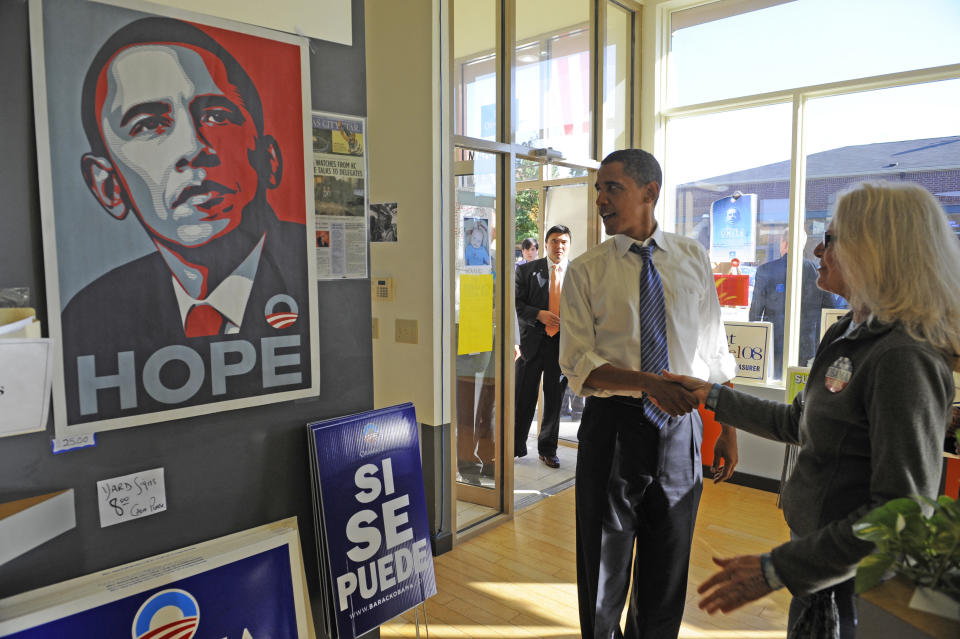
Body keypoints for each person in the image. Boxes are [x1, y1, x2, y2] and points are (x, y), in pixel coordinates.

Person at [664, 182, 960, 638]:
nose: (818, 248)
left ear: (876, 250)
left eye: (833, 238)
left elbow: (900, 512)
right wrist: (712, 396)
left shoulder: (903, 358)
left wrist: (774, 569)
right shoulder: (846, 333)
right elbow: (798, 422)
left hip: (857, 581)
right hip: (817, 565)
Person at [62, 17, 310, 424]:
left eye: (216, 115)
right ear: (108, 186)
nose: (193, 147)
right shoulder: (89, 318)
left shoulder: (317, 285)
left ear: (268, 159)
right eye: (149, 124)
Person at [559, 149, 738, 638]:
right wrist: (648, 383)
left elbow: (716, 355)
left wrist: (726, 431)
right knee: (602, 571)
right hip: (612, 431)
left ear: (650, 192)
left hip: (682, 432)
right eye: (599, 189)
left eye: (611, 187)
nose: (600, 200)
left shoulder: (691, 258)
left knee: (667, 570)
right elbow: (578, 365)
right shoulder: (586, 270)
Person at [515, 225, 571, 468]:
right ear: (546, 244)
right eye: (555, 241)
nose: (559, 246)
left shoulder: (577, 273)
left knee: (554, 400)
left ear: (569, 246)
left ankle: (548, 449)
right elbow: (516, 304)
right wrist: (539, 314)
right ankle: (515, 446)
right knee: (523, 397)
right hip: (532, 345)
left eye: (564, 242)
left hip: (561, 345)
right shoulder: (527, 271)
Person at [749, 228, 839, 377]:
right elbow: (829, 312)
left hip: (773, 347)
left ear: (783, 244)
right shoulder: (818, 273)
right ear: (802, 244)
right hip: (807, 347)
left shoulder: (765, 270)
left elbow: (755, 314)